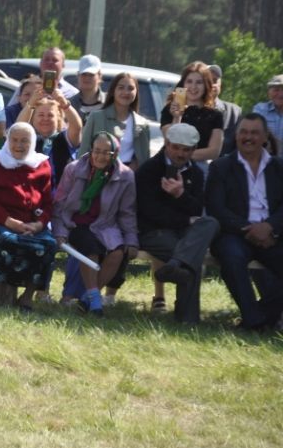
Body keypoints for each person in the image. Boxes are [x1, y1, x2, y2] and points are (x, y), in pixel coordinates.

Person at [136, 123, 220, 324]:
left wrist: (180, 194)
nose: (180, 153)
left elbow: (197, 209)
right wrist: (184, 217)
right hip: (153, 233)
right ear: (166, 144)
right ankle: (187, 319)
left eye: (186, 149)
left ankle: (174, 265)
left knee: (210, 222)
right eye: (176, 147)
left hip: (184, 234)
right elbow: (149, 212)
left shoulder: (197, 173)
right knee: (191, 259)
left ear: (193, 150)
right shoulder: (149, 170)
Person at [206, 113, 283, 330]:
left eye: (254, 133)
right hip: (235, 234)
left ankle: (256, 316)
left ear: (265, 137)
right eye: (244, 132)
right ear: (237, 135)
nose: (248, 137)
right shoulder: (221, 167)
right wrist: (249, 229)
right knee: (232, 258)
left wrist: (269, 227)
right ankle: (256, 321)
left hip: (272, 235)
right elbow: (216, 208)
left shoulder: (279, 167)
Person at [0, 122, 57, 310]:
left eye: (25, 141)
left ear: (33, 142)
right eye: (15, 140)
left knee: (48, 244)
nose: (19, 145)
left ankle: (27, 297)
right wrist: (9, 221)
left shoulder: (41, 165)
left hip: (30, 223)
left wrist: (39, 224)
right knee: (9, 240)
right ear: (7, 141)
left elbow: (47, 203)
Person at [52, 133, 139, 316]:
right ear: (91, 151)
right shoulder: (73, 169)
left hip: (105, 224)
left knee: (117, 252)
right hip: (75, 223)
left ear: (115, 154)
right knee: (90, 250)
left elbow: (127, 213)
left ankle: (87, 298)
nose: (100, 156)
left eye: (106, 152)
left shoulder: (125, 175)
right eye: (97, 151)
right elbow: (60, 205)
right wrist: (59, 232)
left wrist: (131, 240)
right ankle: (95, 301)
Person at [80, 72, 151, 170]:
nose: (126, 92)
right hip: (97, 176)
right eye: (121, 87)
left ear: (136, 92)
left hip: (128, 178)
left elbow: (144, 159)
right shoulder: (96, 117)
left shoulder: (142, 124)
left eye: (130, 88)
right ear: (113, 91)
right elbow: (83, 153)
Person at [160, 61, 223, 168]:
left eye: (199, 82)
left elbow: (214, 151)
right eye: (189, 81)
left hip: (198, 167)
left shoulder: (215, 115)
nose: (193, 87)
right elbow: (170, 143)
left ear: (206, 85)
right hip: (168, 165)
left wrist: (182, 156)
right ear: (183, 84)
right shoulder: (169, 109)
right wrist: (177, 117)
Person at [17, 88, 82, 188]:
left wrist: (64, 103)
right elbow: (19, 127)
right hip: (33, 194)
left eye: (50, 115)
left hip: (60, 197)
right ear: (33, 118)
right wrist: (30, 104)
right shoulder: (29, 139)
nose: (45, 119)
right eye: (41, 115)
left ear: (58, 118)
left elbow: (77, 127)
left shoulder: (66, 138)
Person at [209, 64, 242, 155]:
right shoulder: (189, 111)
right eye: (207, 81)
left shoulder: (234, 112)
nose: (211, 84)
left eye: (215, 81)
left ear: (220, 84)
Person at [70, 54, 106, 122]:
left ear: (99, 76)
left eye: (91, 75)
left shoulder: (109, 102)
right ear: (78, 75)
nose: (87, 78)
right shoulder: (70, 104)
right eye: (84, 74)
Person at [253, 74, 283, 145]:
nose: (281, 94)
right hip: (267, 155)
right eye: (276, 90)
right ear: (269, 92)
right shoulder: (260, 109)